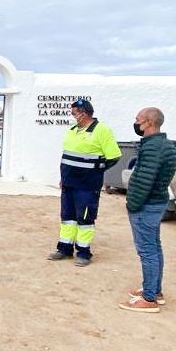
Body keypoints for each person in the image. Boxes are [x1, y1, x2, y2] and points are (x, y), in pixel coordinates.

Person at [47, 98, 121, 267]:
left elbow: (114, 156)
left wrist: (94, 172)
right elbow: (68, 157)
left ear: (84, 113)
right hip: (69, 183)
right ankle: (64, 248)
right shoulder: (72, 130)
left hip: (87, 186)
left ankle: (84, 253)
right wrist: (63, 178)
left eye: (74, 113)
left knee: (85, 219)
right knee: (67, 218)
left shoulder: (102, 130)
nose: (73, 116)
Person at [119, 107, 176, 313]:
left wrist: (132, 204)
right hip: (156, 202)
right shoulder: (164, 145)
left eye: (138, 119)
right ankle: (154, 290)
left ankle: (149, 298)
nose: (135, 123)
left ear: (149, 123)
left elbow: (145, 180)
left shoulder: (153, 148)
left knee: (147, 251)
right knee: (154, 247)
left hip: (146, 206)